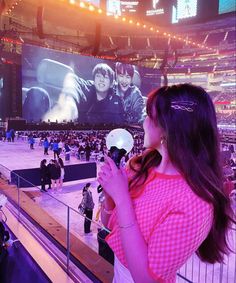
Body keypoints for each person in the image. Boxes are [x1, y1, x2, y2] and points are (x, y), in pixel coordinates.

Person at [98, 84, 235, 283]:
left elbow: (146, 279)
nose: (143, 122)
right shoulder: (140, 166)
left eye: (149, 116)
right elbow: (108, 223)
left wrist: (122, 197)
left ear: (167, 129)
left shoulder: (195, 201)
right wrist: (111, 195)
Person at [43, 63, 125, 125]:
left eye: (106, 77)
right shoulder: (87, 87)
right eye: (98, 76)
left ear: (111, 84)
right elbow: (72, 78)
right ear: (94, 80)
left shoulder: (116, 102)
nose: (101, 80)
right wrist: (70, 103)